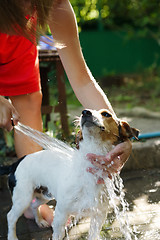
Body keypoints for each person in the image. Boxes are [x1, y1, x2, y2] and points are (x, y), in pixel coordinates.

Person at [0, 0, 132, 225]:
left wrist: (120, 134)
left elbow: (82, 81)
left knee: (29, 110)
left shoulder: (54, 4)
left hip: (17, 53)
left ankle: (32, 202)